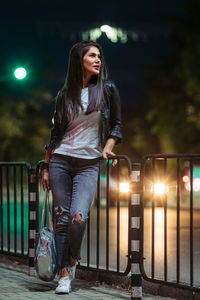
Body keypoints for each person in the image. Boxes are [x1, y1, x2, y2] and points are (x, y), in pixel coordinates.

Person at [41, 41, 122, 294]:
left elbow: (117, 125)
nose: (98, 60)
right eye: (92, 56)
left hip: (88, 163)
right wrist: (46, 166)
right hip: (61, 160)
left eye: (99, 56)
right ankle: (64, 274)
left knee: (78, 217)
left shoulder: (107, 89)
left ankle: (72, 259)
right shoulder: (65, 94)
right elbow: (55, 135)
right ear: (80, 60)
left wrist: (108, 146)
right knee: (62, 218)